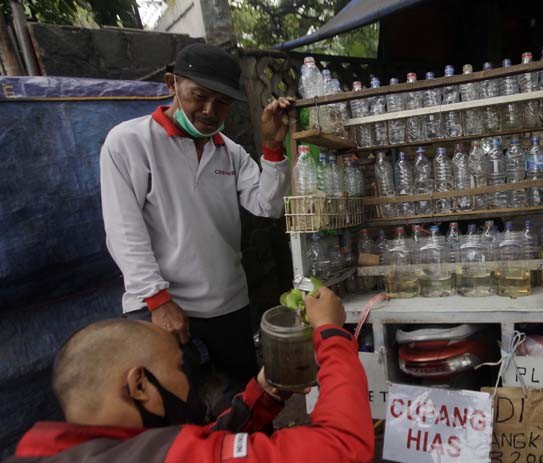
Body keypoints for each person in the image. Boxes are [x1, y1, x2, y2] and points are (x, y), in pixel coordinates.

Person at [99, 43, 291, 390]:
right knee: (175, 410)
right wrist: (158, 301)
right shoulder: (129, 142)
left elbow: (268, 206)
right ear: (172, 84)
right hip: (162, 305)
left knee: (245, 400)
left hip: (227, 302)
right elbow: (123, 230)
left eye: (222, 102)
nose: (209, 110)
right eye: (198, 96)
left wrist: (272, 148)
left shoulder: (229, 152)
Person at [5, 288, 374, 463]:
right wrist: (331, 333)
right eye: (178, 367)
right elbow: (344, 446)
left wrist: (264, 394)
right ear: (139, 385)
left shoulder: (53, 452)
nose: (188, 378)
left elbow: (205, 443)